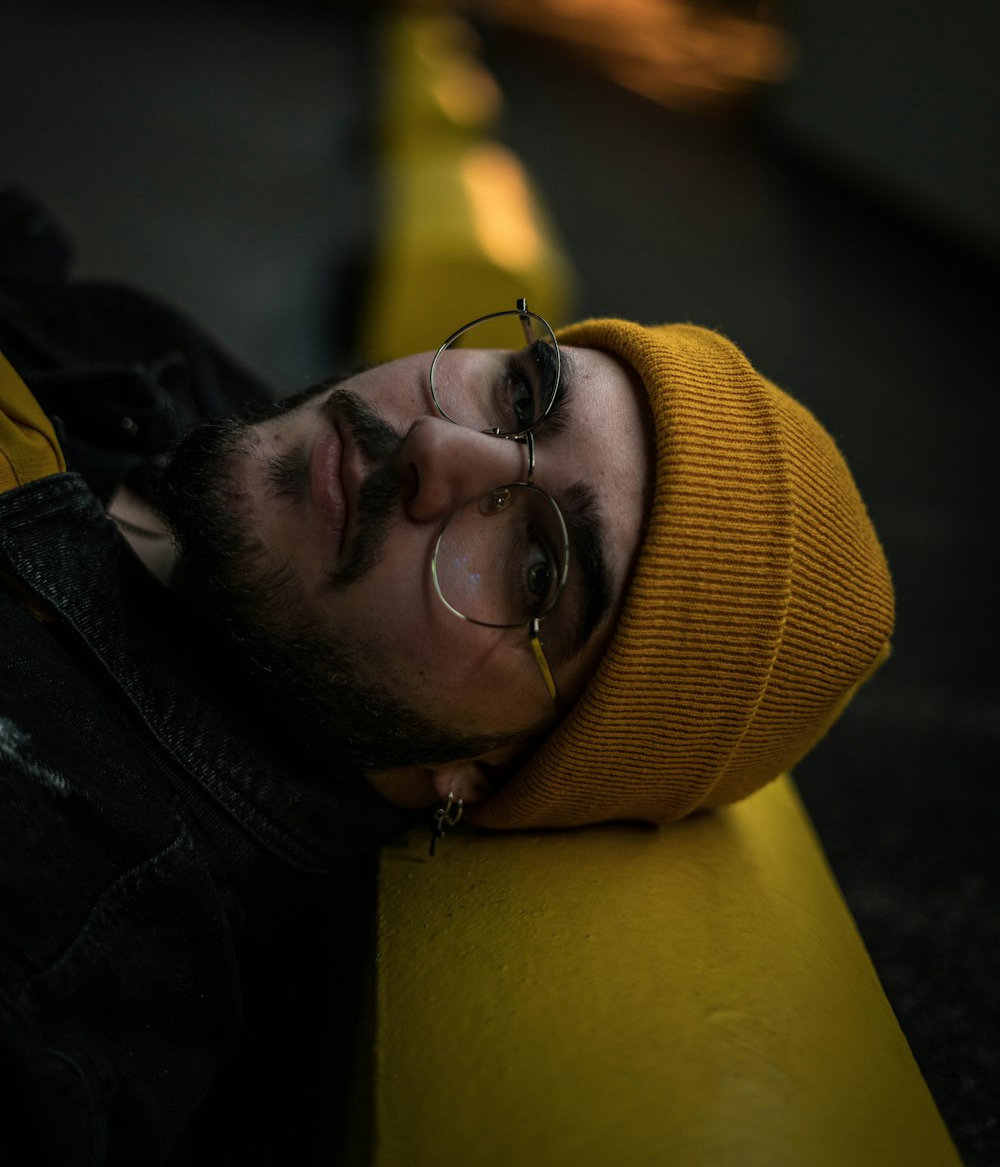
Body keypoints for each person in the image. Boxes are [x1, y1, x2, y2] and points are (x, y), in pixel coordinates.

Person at [0, 191, 894, 1163]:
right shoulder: (225, 439)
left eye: (536, 566)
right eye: (520, 397)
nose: (435, 447)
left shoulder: (59, 937)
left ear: (484, 775)